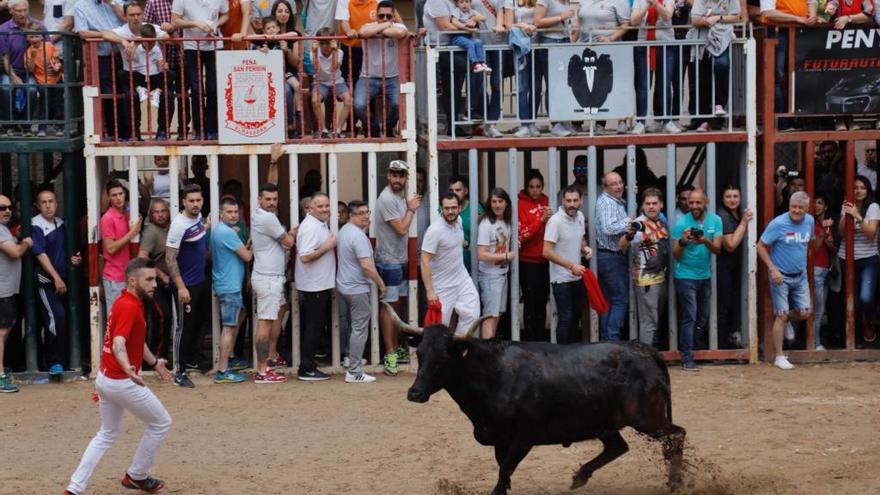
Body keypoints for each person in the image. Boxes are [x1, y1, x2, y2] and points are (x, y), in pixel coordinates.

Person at [63, 258, 173, 495]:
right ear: (133, 281)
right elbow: (119, 342)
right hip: (122, 382)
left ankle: (74, 489)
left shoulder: (129, 301)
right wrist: (127, 367)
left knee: (106, 433)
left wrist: (154, 363)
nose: (155, 284)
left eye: (155, 278)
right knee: (161, 422)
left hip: (106, 380)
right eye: (149, 279)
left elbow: (135, 340)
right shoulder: (130, 306)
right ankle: (137, 475)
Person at [250, 147, 296, 383]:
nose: (271, 202)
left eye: (274, 200)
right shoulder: (268, 218)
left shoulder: (262, 213)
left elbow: (270, 187)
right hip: (268, 279)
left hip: (269, 276)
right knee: (265, 323)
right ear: (259, 200)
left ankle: (268, 361)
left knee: (272, 320)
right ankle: (262, 370)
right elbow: (288, 242)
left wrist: (273, 163)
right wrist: (293, 233)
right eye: (267, 199)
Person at [756, 191, 815, 370]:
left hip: (800, 274)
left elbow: (808, 243)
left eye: (800, 208)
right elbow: (760, 246)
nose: (796, 211)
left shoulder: (810, 221)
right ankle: (779, 356)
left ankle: (786, 319)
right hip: (780, 275)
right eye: (793, 207)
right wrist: (772, 269)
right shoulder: (779, 223)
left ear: (806, 208)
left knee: (805, 312)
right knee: (780, 315)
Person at [374, 159, 420, 375]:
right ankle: (390, 353)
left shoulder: (400, 197)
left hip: (399, 259)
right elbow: (402, 229)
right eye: (394, 175)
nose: (397, 179)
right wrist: (411, 210)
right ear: (388, 176)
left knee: (397, 306)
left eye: (401, 175)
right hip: (388, 261)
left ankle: (396, 349)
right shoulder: (387, 199)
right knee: (388, 307)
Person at [103, 4, 174, 141]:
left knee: (169, 93)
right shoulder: (123, 30)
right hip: (134, 77)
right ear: (125, 17)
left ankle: (162, 132)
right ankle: (135, 133)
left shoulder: (149, 28)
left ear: (142, 15)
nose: (136, 18)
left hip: (154, 77)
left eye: (138, 14)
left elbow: (166, 37)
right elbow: (105, 34)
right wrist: (124, 41)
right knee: (130, 93)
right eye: (131, 15)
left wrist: (149, 39)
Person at [32, 189, 83, 374]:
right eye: (44, 202)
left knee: (63, 318)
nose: (48, 205)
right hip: (46, 281)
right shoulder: (35, 224)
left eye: (51, 201)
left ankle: (62, 359)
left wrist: (73, 259)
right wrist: (55, 277)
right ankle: (54, 362)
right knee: (56, 317)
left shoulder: (60, 223)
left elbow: (64, 251)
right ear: (38, 206)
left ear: (57, 203)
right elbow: (40, 254)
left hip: (62, 279)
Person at [671, 188, 722, 371]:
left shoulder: (715, 220)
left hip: (705, 275)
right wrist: (683, 242)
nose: (693, 206)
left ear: (705, 202)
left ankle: (693, 348)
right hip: (684, 276)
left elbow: (717, 249)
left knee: (702, 317)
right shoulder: (681, 223)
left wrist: (704, 241)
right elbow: (676, 255)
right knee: (689, 316)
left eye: (697, 202)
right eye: (691, 203)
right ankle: (686, 357)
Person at [164, 183, 209, 388]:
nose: (195, 204)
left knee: (196, 324)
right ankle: (178, 372)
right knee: (182, 328)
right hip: (185, 285)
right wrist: (181, 287)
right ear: (183, 202)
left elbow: (199, 235)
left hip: (199, 282)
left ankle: (189, 360)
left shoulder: (198, 219)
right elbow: (170, 258)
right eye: (191, 201)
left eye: (198, 200)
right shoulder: (179, 225)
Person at [337, 200, 386, 383]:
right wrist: (381, 283)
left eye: (367, 212)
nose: (366, 216)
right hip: (357, 288)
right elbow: (366, 266)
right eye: (361, 213)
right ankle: (355, 371)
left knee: (352, 326)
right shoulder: (358, 237)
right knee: (359, 328)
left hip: (345, 286)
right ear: (351, 215)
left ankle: (351, 358)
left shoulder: (344, 232)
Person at [421, 192, 480, 336]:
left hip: (462, 279)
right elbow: (424, 260)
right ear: (441, 208)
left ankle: (458, 349)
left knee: (472, 314)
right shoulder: (434, 231)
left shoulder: (459, 220)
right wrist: (430, 291)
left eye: (453, 208)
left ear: (460, 208)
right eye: (446, 208)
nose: (450, 212)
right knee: (439, 330)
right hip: (442, 286)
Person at [425, 0, 485, 136]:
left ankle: (460, 121)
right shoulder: (437, 2)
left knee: (456, 89)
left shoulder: (454, 3)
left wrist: (473, 19)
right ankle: (463, 118)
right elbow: (445, 26)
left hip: (455, 48)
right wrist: (467, 28)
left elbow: (474, 16)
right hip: (442, 50)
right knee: (465, 76)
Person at [171, 0, 229, 140]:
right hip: (191, 45)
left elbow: (226, 14)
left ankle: (213, 129)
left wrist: (215, 24)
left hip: (214, 43)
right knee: (196, 89)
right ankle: (199, 129)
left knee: (213, 88)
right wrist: (196, 23)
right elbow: (175, 21)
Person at [618, 188, 669, 347]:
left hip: (661, 277)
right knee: (649, 322)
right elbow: (622, 245)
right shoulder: (638, 224)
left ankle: (651, 353)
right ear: (642, 205)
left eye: (655, 203)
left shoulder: (661, 222)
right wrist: (629, 235)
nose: (651, 207)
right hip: (646, 281)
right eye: (648, 203)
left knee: (655, 320)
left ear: (661, 205)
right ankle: (645, 357)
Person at [543, 186, 593, 344]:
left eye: (575, 200)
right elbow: (546, 252)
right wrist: (571, 266)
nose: (572, 204)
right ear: (562, 201)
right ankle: (561, 355)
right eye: (568, 200)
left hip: (576, 277)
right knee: (566, 317)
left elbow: (580, 238)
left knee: (575, 317)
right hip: (561, 279)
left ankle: (571, 354)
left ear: (581, 200)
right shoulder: (555, 221)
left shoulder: (580, 216)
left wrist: (585, 248)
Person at [295, 193, 336, 381]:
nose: (325, 209)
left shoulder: (318, 224)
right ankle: (307, 368)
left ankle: (309, 365)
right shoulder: (310, 227)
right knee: (313, 327)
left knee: (315, 326)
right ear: (310, 208)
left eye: (327, 205)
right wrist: (327, 247)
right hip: (314, 286)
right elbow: (304, 257)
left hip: (318, 284)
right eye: (320, 206)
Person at [211, 197, 252, 384]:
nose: (234, 215)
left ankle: (231, 358)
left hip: (227, 284)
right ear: (221, 214)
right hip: (230, 287)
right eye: (229, 212)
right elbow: (247, 257)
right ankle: (223, 370)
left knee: (241, 315)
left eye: (236, 212)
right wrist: (250, 241)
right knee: (229, 327)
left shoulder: (220, 230)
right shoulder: (227, 233)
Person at [760, 0, 818, 131]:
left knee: (802, 73)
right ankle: (783, 121)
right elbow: (768, 12)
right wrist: (798, 19)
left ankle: (803, 119)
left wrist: (812, 16)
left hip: (803, 31)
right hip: (780, 32)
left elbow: (812, 2)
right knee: (779, 76)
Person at [574, 0, 630, 134]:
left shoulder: (619, 2)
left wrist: (610, 38)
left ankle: (614, 121)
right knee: (584, 85)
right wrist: (573, 39)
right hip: (586, 49)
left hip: (610, 51)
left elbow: (626, 24)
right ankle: (576, 122)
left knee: (610, 86)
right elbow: (579, 22)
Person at [354, 0, 408, 138]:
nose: (384, 18)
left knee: (398, 105)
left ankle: (388, 127)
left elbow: (400, 33)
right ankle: (373, 128)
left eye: (388, 16)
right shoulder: (368, 25)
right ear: (376, 15)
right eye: (381, 16)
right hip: (368, 77)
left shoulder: (398, 26)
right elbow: (363, 32)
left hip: (392, 77)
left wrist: (381, 28)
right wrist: (386, 25)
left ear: (394, 16)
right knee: (359, 105)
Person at [837, 175, 880, 345]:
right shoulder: (847, 205)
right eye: (855, 188)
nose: (858, 191)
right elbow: (841, 233)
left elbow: (871, 233)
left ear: (868, 190)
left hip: (868, 258)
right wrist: (846, 213)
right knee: (849, 299)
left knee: (866, 298)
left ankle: (868, 323)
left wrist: (857, 215)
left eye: (862, 187)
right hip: (845, 257)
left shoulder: (873, 207)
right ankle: (852, 335)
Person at [73, 0, 124, 138]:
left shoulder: (119, 2)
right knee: (107, 94)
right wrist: (104, 35)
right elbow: (82, 33)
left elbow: (129, 20)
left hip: (124, 54)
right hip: (101, 57)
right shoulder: (81, 6)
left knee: (127, 92)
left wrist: (113, 3)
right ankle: (113, 132)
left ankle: (129, 132)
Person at [687, 0, 740, 132]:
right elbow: (694, 20)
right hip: (702, 42)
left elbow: (736, 16)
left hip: (723, 41)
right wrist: (706, 21)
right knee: (702, 80)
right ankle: (703, 119)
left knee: (721, 66)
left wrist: (717, 18)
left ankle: (719, 108)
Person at [631, 0, 681, 134]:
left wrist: (656, 4)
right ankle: (640, 122)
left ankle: (667, 121)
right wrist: (647, 5)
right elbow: (634, 21)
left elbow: (667, 16)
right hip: (644, 45)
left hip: (666, 46)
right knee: (642, 85)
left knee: (664, 84)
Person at [595, 171, 632, 341]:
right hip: (611, 257)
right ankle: (612, 340)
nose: (619, 186)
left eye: (620, 182)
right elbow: (608, 228)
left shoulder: (614, 201)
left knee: (608, 301)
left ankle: (605, 340)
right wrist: (629, 222)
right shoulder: (607, 203)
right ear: (605, 187)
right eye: (614, 184)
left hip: (606, 257)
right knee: (620, 299)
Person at [0, 194, 31, 393]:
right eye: (2, 208)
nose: (7, 211)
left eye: (9, 207)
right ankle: (0, 375)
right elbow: (16, 252)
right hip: (2, 291)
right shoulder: (0, 230)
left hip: (6, 290)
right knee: (1, 333)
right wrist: (26, 243)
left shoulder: (4, 230)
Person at [137, 198, 174, 363]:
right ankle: (157, 358)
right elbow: (142, 257)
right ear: (151, 215)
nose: (160, 215)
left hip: (173, 279)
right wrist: (161, 275)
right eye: (156, 212)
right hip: (155, 282)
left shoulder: (172, 227)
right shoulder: (151, 231)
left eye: (163, 211)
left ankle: (162, 356)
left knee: (169, 318)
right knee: (162, 315)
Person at [144, 0, 188, 139]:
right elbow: (145, 28)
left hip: (186, 55)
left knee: (184, 95)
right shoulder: (154, 2)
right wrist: (162, 35)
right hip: (162, 58)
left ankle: (183, 131)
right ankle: (163, 130)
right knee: (166, 94)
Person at [717, 184, 753, 348]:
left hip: (734, 268)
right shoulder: (723, 215)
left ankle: (730, 339)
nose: (732, 200)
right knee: (724, 306)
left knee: (733, 303)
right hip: (723, 268)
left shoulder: (735, 213)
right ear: (722, 199)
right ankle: (721, 346)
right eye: (728, 196)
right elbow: (730, 244)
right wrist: (744, 222)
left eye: (735, 196)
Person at [517, 169, 552, 341]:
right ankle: (530, 339)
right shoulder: (519, 204)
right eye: (531, 187)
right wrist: (540, 220)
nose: (535, 190)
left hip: (546, 259)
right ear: (526, 187)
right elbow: (522, 235)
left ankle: (540, 338)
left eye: (538, 186)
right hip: (527, 261)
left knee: (542, 301)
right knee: (530, 302)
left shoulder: (546, 200)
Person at [477, 188, 515, 339]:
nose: (497, 205)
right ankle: (487, 354)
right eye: (494, 201)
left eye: (500, 201)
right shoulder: (486, 224)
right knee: (489, 316)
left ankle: (490, 350)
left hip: (501, 274)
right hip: (489, 276)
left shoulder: (506, 222)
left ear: (506, 203)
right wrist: (506, 255)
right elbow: (481, 254)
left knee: (497, 314)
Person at [535, 0, 576, 137]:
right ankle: (555, 123)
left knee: (563, 85)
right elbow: (538, 21)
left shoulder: (566, 1)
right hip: (550, 41)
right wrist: (561, 17)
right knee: (552, 84)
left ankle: (563, 120)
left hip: (563, 40)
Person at [0, 0, 42, 134]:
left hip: (33, 71)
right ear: (11, 11)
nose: (23, 14)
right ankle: (9, 124)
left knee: (31, 89)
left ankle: (26, 125)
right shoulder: (3, 29)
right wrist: (13, 76)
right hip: (10, 69)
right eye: (19, 11)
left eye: (25, 10)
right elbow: (4, 57)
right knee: (6, 87)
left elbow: (47, 49)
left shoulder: (38, 26)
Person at [101, 180, 142, 316]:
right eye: (114, 195)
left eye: (121, 194)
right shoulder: (107, 218)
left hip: (127, 275)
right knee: (115, 318)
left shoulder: (127, 215)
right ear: (108, 197)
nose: (118, 198)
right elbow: (111, 248)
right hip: (114, 277)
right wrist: (132, 233)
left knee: (128, 317)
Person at [470, 0, 506, 138]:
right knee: (480, 83)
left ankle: (491, 122)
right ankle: (481, 119)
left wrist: (498, 24)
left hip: (498, 43)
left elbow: (501, 13)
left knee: (497, 83)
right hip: (479, 44)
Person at [506, 0, 540, 138]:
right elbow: (508, 24)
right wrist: (522, 25)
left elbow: (541, 19)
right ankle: (524, 124)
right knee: (522, 87)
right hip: (520, 46)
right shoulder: (511, 2)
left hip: (538, 44)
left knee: (536, 86)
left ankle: (532, 122)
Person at [310, 28, 352, 138]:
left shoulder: (339, 52)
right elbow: (316, 69)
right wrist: (314, 52)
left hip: (337, 81)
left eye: (328, 43)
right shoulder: (313, 52)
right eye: (322, 43)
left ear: (333, 42)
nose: (324, 46)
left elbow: (333, 68)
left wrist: (334, 51)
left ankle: (337, 130)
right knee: (315, 100)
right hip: (320, 82)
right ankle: (323, 130)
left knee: (348, 100)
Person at [24, 23, 64, 137]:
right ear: (27, 38)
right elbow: (30, 69)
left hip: (56, 78)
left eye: (36, 36)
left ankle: (60, 126)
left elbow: (56, 56)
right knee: (44, 104)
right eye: (31, 36)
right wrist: (32, 57)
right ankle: (42, 128)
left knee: (58, 103)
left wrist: (57, 60)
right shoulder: (28, 51)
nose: (34, 39)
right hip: (42, 81)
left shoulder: (48, 45)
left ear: (42, 36)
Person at [811, 193, 835, 351]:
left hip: (827, 270)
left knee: (819, 308)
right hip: (816, 269)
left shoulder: (829, 224)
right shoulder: (810, 223)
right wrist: (822, 233)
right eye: (814, 202)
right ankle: (815, 343)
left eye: (820, 202)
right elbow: (814, 249)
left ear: (826, 206)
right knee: (816, 310)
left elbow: (834, 249)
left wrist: (829, 238)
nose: (816, 206)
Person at [449, 175, 482, 272]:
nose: (454, 194)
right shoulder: (443, 209)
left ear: (466, 191)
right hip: (450, 267)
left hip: (472, 268)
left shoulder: (476, 209)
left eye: (458, 190)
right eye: (451, 191)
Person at [450, 0, 491, 73]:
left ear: (470, 3)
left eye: (466, 1)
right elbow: (454, 21)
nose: (464, 4)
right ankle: (475, 64)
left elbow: (484, 18)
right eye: (461, 2)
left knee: (478, 42)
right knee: (470, 44)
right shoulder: (457, 11)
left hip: (468, 37)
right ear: (457, 4)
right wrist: (466, 26)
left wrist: (473, 19)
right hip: (457, 37)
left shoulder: (471, 11)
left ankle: (481, 62)